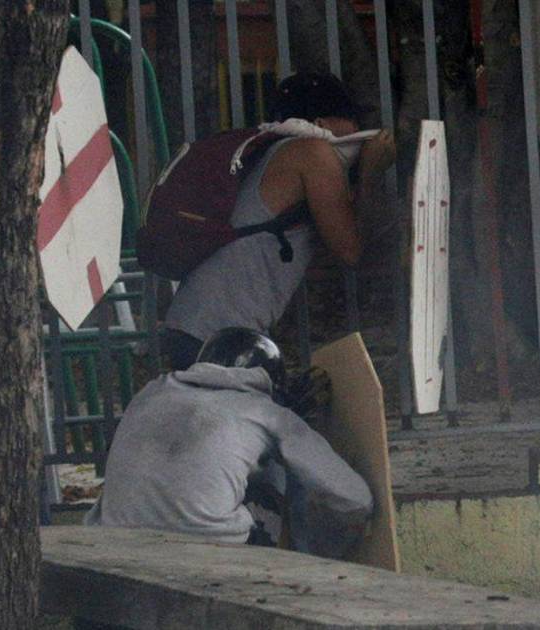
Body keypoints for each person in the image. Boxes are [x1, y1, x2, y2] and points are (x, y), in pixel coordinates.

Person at [162, 72, 397, 370]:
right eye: (353, 120)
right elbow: (350, 250)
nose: (359, 130)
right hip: (219, 335)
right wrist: (371, 171)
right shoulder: (313, 153)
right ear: (322, 123)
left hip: (198, 324)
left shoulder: (276, 153)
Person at [86, 328, 372, 549]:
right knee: (276, 476)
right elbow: (355, 500)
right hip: (208, 554)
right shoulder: (268, 413)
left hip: (114, 543)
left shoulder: (150, 393)